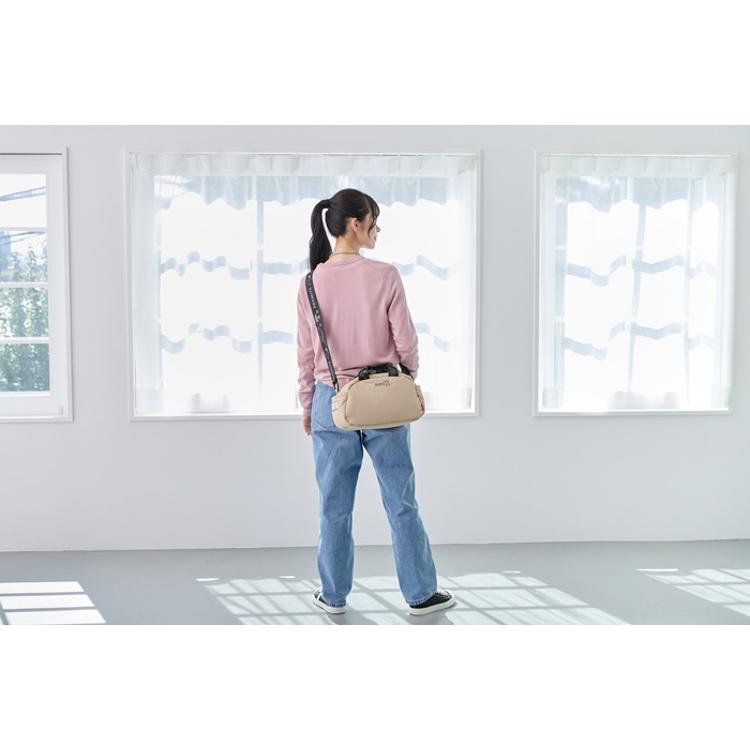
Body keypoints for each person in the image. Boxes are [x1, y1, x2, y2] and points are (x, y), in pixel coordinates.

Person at [296, 187, 456, 617]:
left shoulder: (310, 283)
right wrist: (407, 377)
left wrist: (308, 405)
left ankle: (333, 596)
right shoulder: (385, 275)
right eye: (374, 222)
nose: (377, 230)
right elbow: (406, 341)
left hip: (331, 400)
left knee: (334, 506)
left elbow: (307, 355)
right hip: (382, 395)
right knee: (401, 501)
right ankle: (421, 594)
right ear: (355, 224)